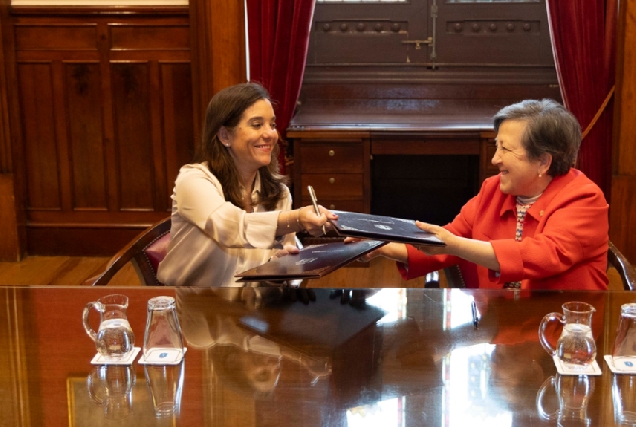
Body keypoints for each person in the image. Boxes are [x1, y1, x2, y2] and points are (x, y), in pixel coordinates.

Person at [364, 99, 609, 290]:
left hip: (562, 335)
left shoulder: (584, 199)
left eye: (506, 149)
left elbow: (545, 255)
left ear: (544, 161)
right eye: (496, 146)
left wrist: (457, 245)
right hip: (498, 326)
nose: (495, 159)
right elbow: (447, 241)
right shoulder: (493, 190)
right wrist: (379, 245)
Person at [157, 82, 336, 287]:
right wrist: (296, 218)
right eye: (257, 124)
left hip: (249, 308)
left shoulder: (279, 193)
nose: (270, 134)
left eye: (272, 124)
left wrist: (282, 266)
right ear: (225, 136)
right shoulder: (193, 181)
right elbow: (228, 227)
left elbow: (287, 265)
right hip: (186, 304)